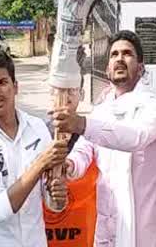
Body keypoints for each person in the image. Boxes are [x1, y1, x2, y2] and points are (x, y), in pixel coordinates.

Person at [52, 30, 156, 247]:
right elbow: (84, 151)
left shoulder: (155, 107)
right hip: (107, 224)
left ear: (141, 67)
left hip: (142, 229)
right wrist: (69, 165)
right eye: (114, 55)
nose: (119, 59)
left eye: (127, 54)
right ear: (107, 68)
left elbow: (134, 138)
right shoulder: (101, 110)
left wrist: (81, 124)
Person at [0, 51, 69, 247]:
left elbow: (51, 203)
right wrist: (40, 163)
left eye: (2, 82)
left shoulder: (37, 128)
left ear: (16, 87)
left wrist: (57, 196)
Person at [43, 73, 99, 247]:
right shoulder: (37, 135)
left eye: (72, 91)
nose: (65, 97)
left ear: (81, 94)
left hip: (83, 234)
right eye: (60, 90)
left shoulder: (92, 135)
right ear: (51, 93)